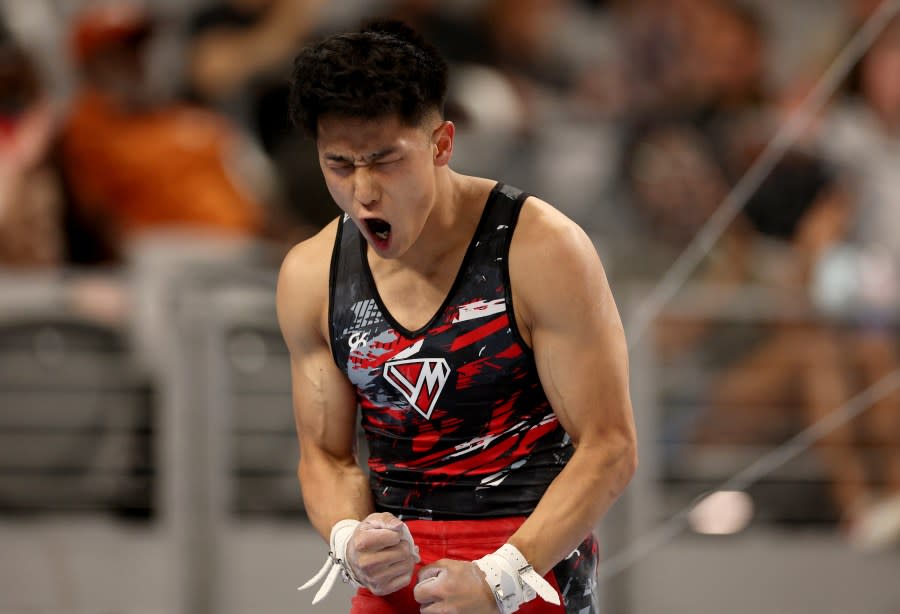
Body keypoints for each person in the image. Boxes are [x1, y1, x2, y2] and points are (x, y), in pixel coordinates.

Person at [276, 19, 637, 614]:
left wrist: (501, 576)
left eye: (385, 161)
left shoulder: (539, 249)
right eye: (339, 164)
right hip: (397, 575)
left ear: (442, 144)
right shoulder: (312, 274)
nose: (363, 192)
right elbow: (326, 456)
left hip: (530, 561)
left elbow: (609, 446)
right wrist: (349, 536)